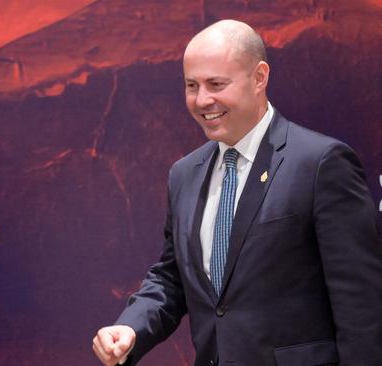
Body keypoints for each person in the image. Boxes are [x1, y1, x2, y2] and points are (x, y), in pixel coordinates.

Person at [93, 19, 382, 366]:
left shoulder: (320, 164)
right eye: (191, 85)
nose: (202, 100)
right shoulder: (183, 174)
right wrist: (132, 328)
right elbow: (173, 278)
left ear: (259, 77)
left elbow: (361, 308)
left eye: (216, 84)